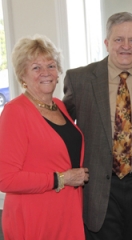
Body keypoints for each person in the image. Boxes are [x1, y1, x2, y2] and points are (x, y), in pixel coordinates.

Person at [63, 12, 132, 240]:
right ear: (107, 42)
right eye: (119, 39)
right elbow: (62, 129)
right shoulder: (80, 80)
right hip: (99, 187)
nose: (126, 46)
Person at [0, 35, 89, 240]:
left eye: (50, 65)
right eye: (36, 68)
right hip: (35, 215)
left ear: (58, 73)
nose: (45, 73)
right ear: (22, 75)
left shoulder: (59, 105)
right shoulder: (15, 112)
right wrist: (62, 178)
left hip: (67, 210)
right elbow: (6, 179)